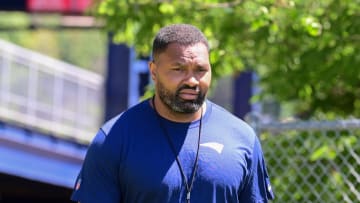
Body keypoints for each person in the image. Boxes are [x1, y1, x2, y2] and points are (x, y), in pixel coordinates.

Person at [71, 23, 274, 203]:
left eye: (200, 70)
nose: (192, 80)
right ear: (153, 71)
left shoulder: (242, 137)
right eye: (178, 69)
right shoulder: (113, 139)